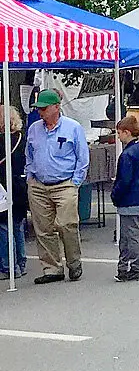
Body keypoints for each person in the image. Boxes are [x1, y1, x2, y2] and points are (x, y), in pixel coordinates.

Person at [25, 90, 89, 285]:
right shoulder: (34, 129)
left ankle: (73, 262)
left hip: (64, 183)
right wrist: (30, 176)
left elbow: (83, 157)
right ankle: (52, 268)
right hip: (38, 184)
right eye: (39, 109)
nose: (41, 112)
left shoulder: (73, 128)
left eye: (44, 108)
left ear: (56, 107)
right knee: (43, 229)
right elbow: (29, 153)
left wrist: (75, 182)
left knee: (66, 224)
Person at [111, 116, 139, 283]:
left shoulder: (126, 155)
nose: (118, 136)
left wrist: (115, 194)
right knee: (131, 232)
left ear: (127, 132)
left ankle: (132, 267)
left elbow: (124, 180)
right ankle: (131, 266)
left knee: (128, 235)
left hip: (128, 199)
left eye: (119, 133)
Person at [0, 106, 27, 279]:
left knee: (3, 227)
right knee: (17, 224)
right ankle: (21, 262)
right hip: (19, 184)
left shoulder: (1, 141)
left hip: (3, 185)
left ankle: (8, 265)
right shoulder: (22, 138)